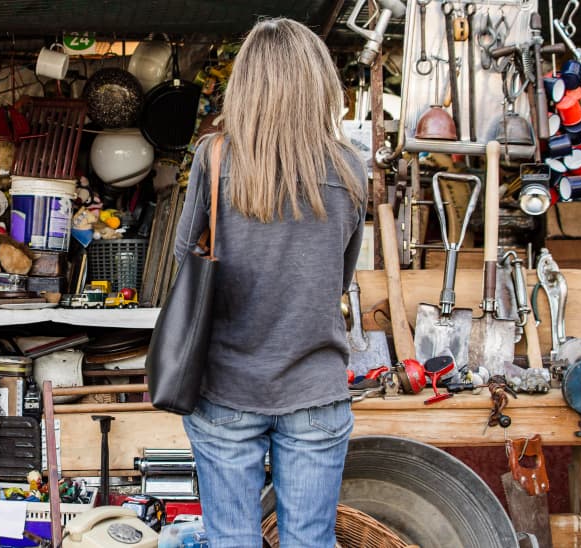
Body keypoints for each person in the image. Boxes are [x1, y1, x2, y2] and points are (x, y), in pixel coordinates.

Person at [173, 18, 367, 547]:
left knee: (232, 539)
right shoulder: (351, 168)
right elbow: (339, 275)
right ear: (319, 82)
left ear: (247, 83)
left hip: (227, 385)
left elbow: (183, 264)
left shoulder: (213, 159)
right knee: (309, 541)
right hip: (314, 386)